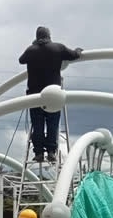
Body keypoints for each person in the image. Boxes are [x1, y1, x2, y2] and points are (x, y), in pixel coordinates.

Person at [19, 26, 83, 164]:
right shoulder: (57, 48)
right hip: (53, 94)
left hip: (35, 96)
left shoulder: (31, 50)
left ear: (37, 37)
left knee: (37, 124)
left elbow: (21, 60)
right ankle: (52, 152)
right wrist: (78, 50)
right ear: (49, 35)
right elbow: (74, 55)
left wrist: (33, 46)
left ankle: (39, 152)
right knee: (53, 123)